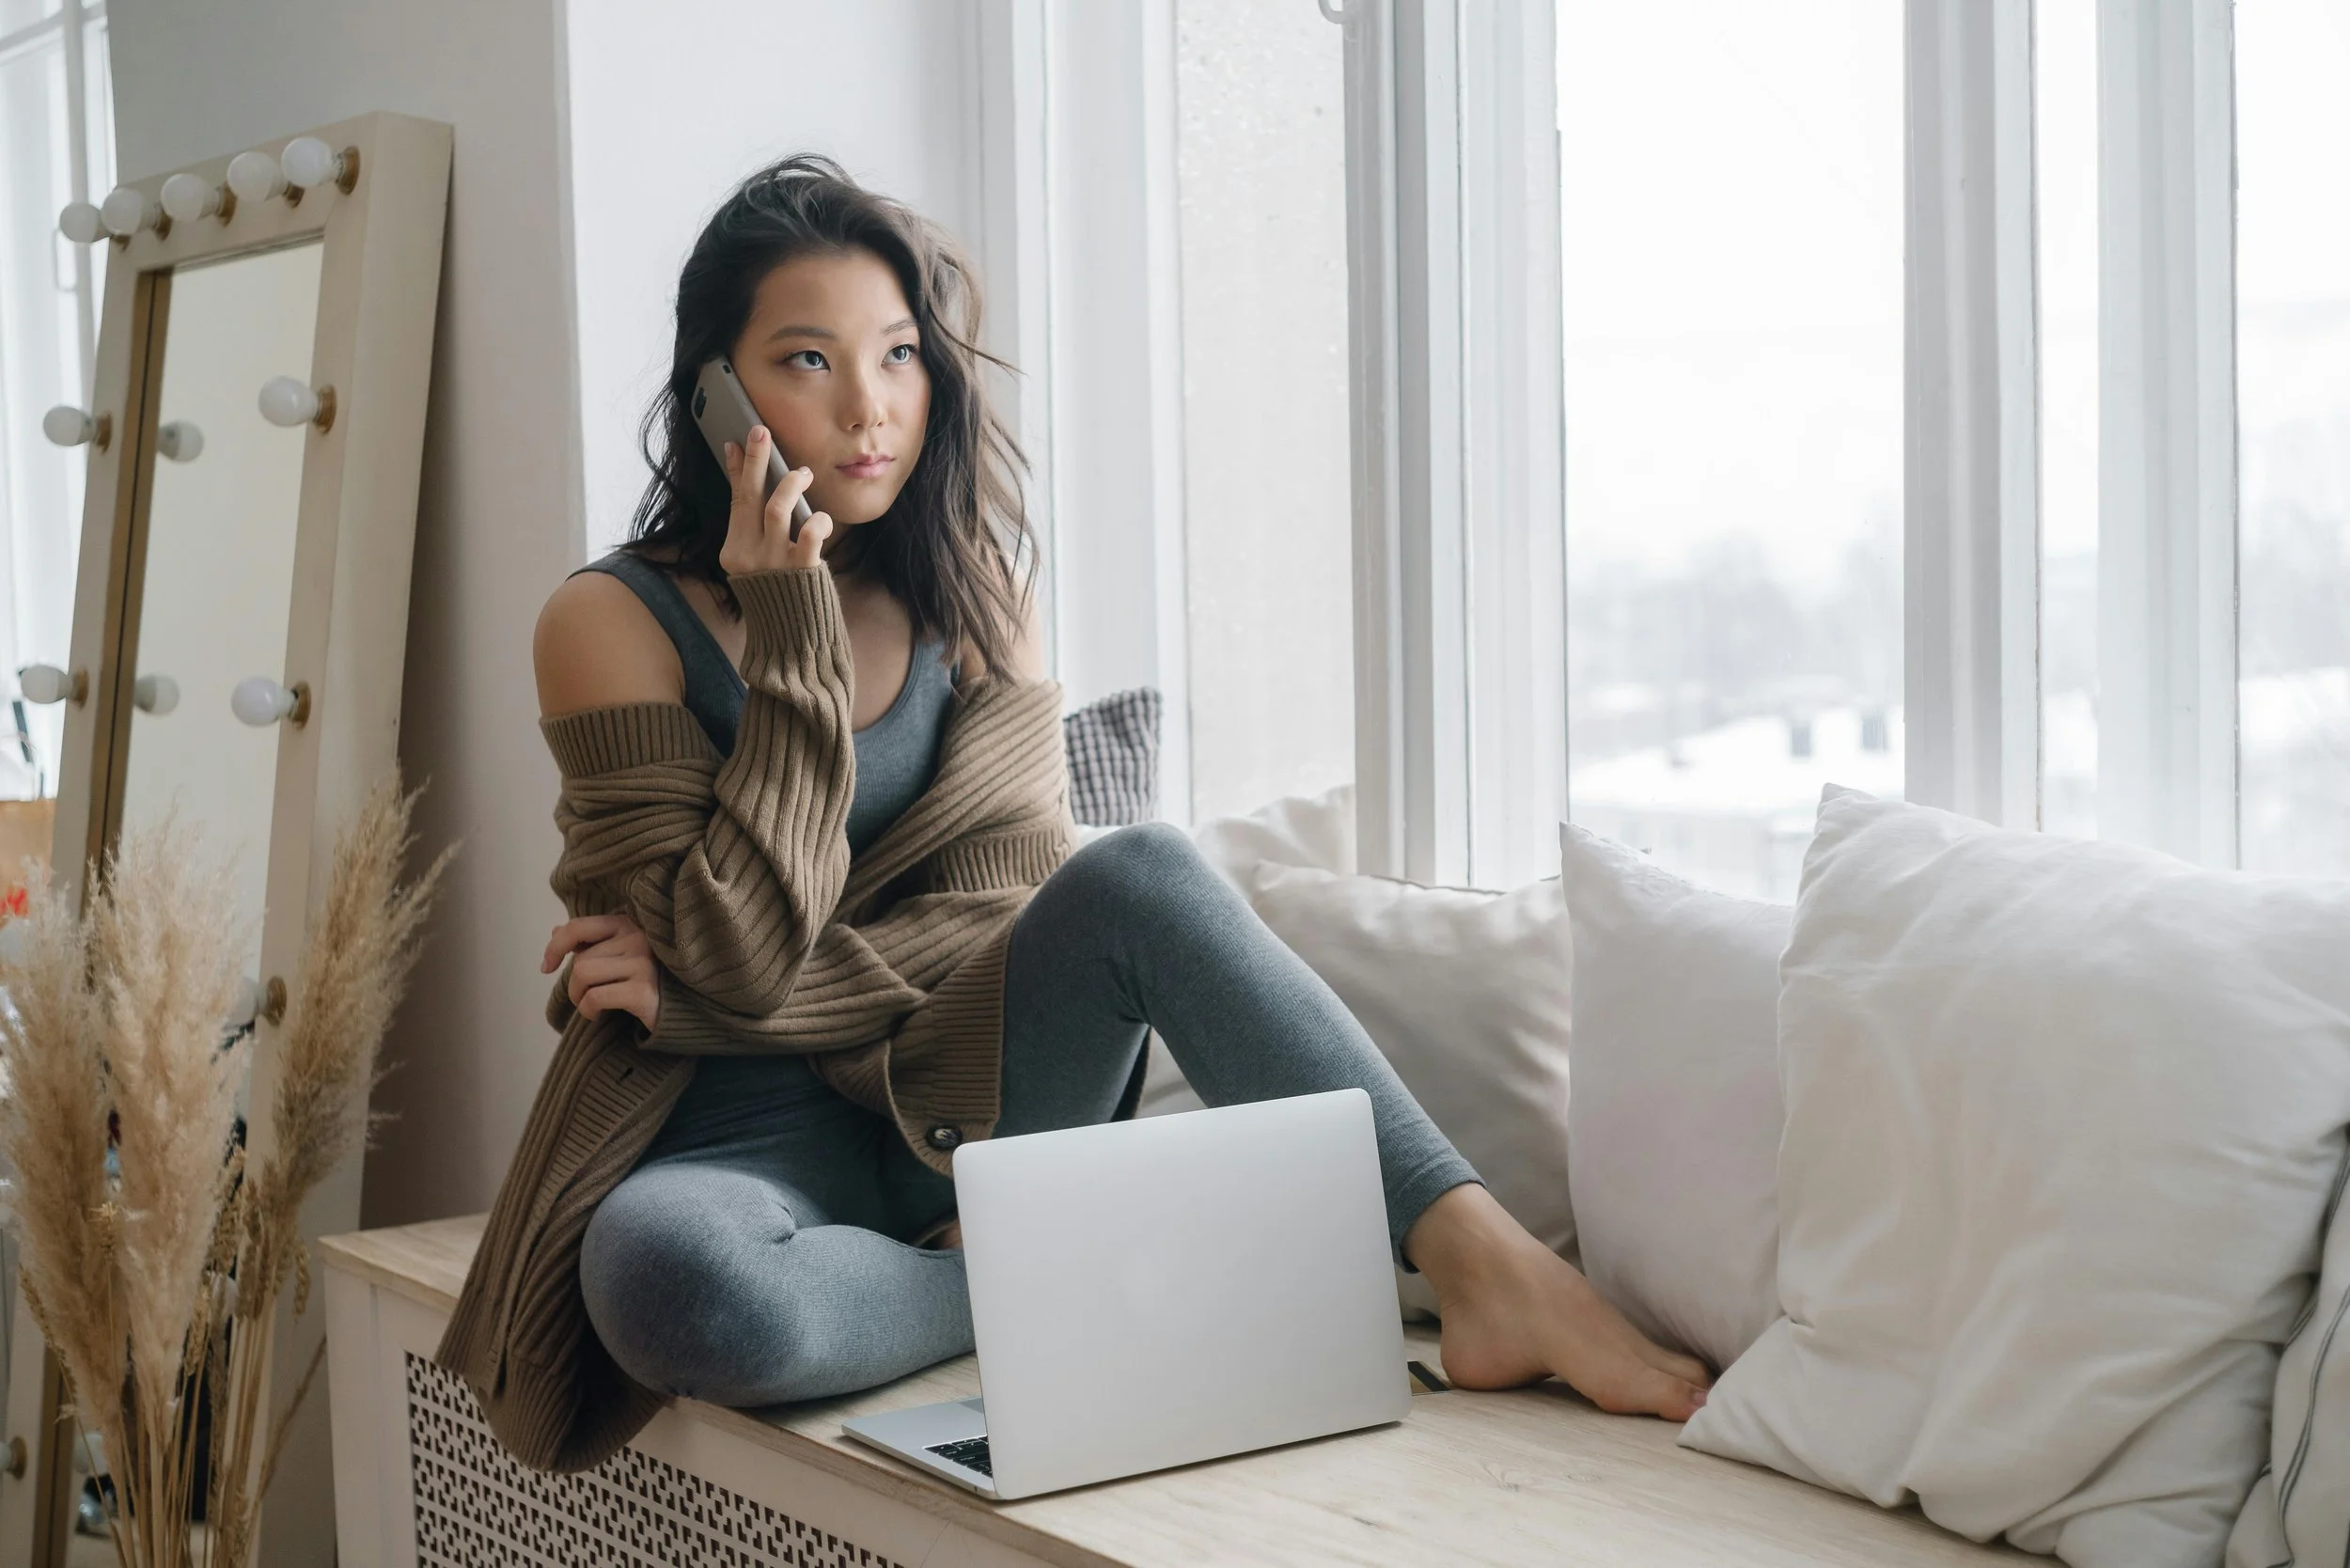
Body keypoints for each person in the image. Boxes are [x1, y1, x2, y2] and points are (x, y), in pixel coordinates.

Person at [438, 154, 1709, 1474]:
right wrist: (792, 635)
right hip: (736, 1150)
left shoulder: (975, 599)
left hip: (971, 1098)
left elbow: (989, 915)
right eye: (808, 362)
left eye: (897, 355)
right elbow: (744, 942)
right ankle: (1046, 1270)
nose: (869, 409)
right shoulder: (607, 623)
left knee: (1141, 874)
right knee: (666, 1287)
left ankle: (1492, 1266)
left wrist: (704, 991)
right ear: (718, 393)